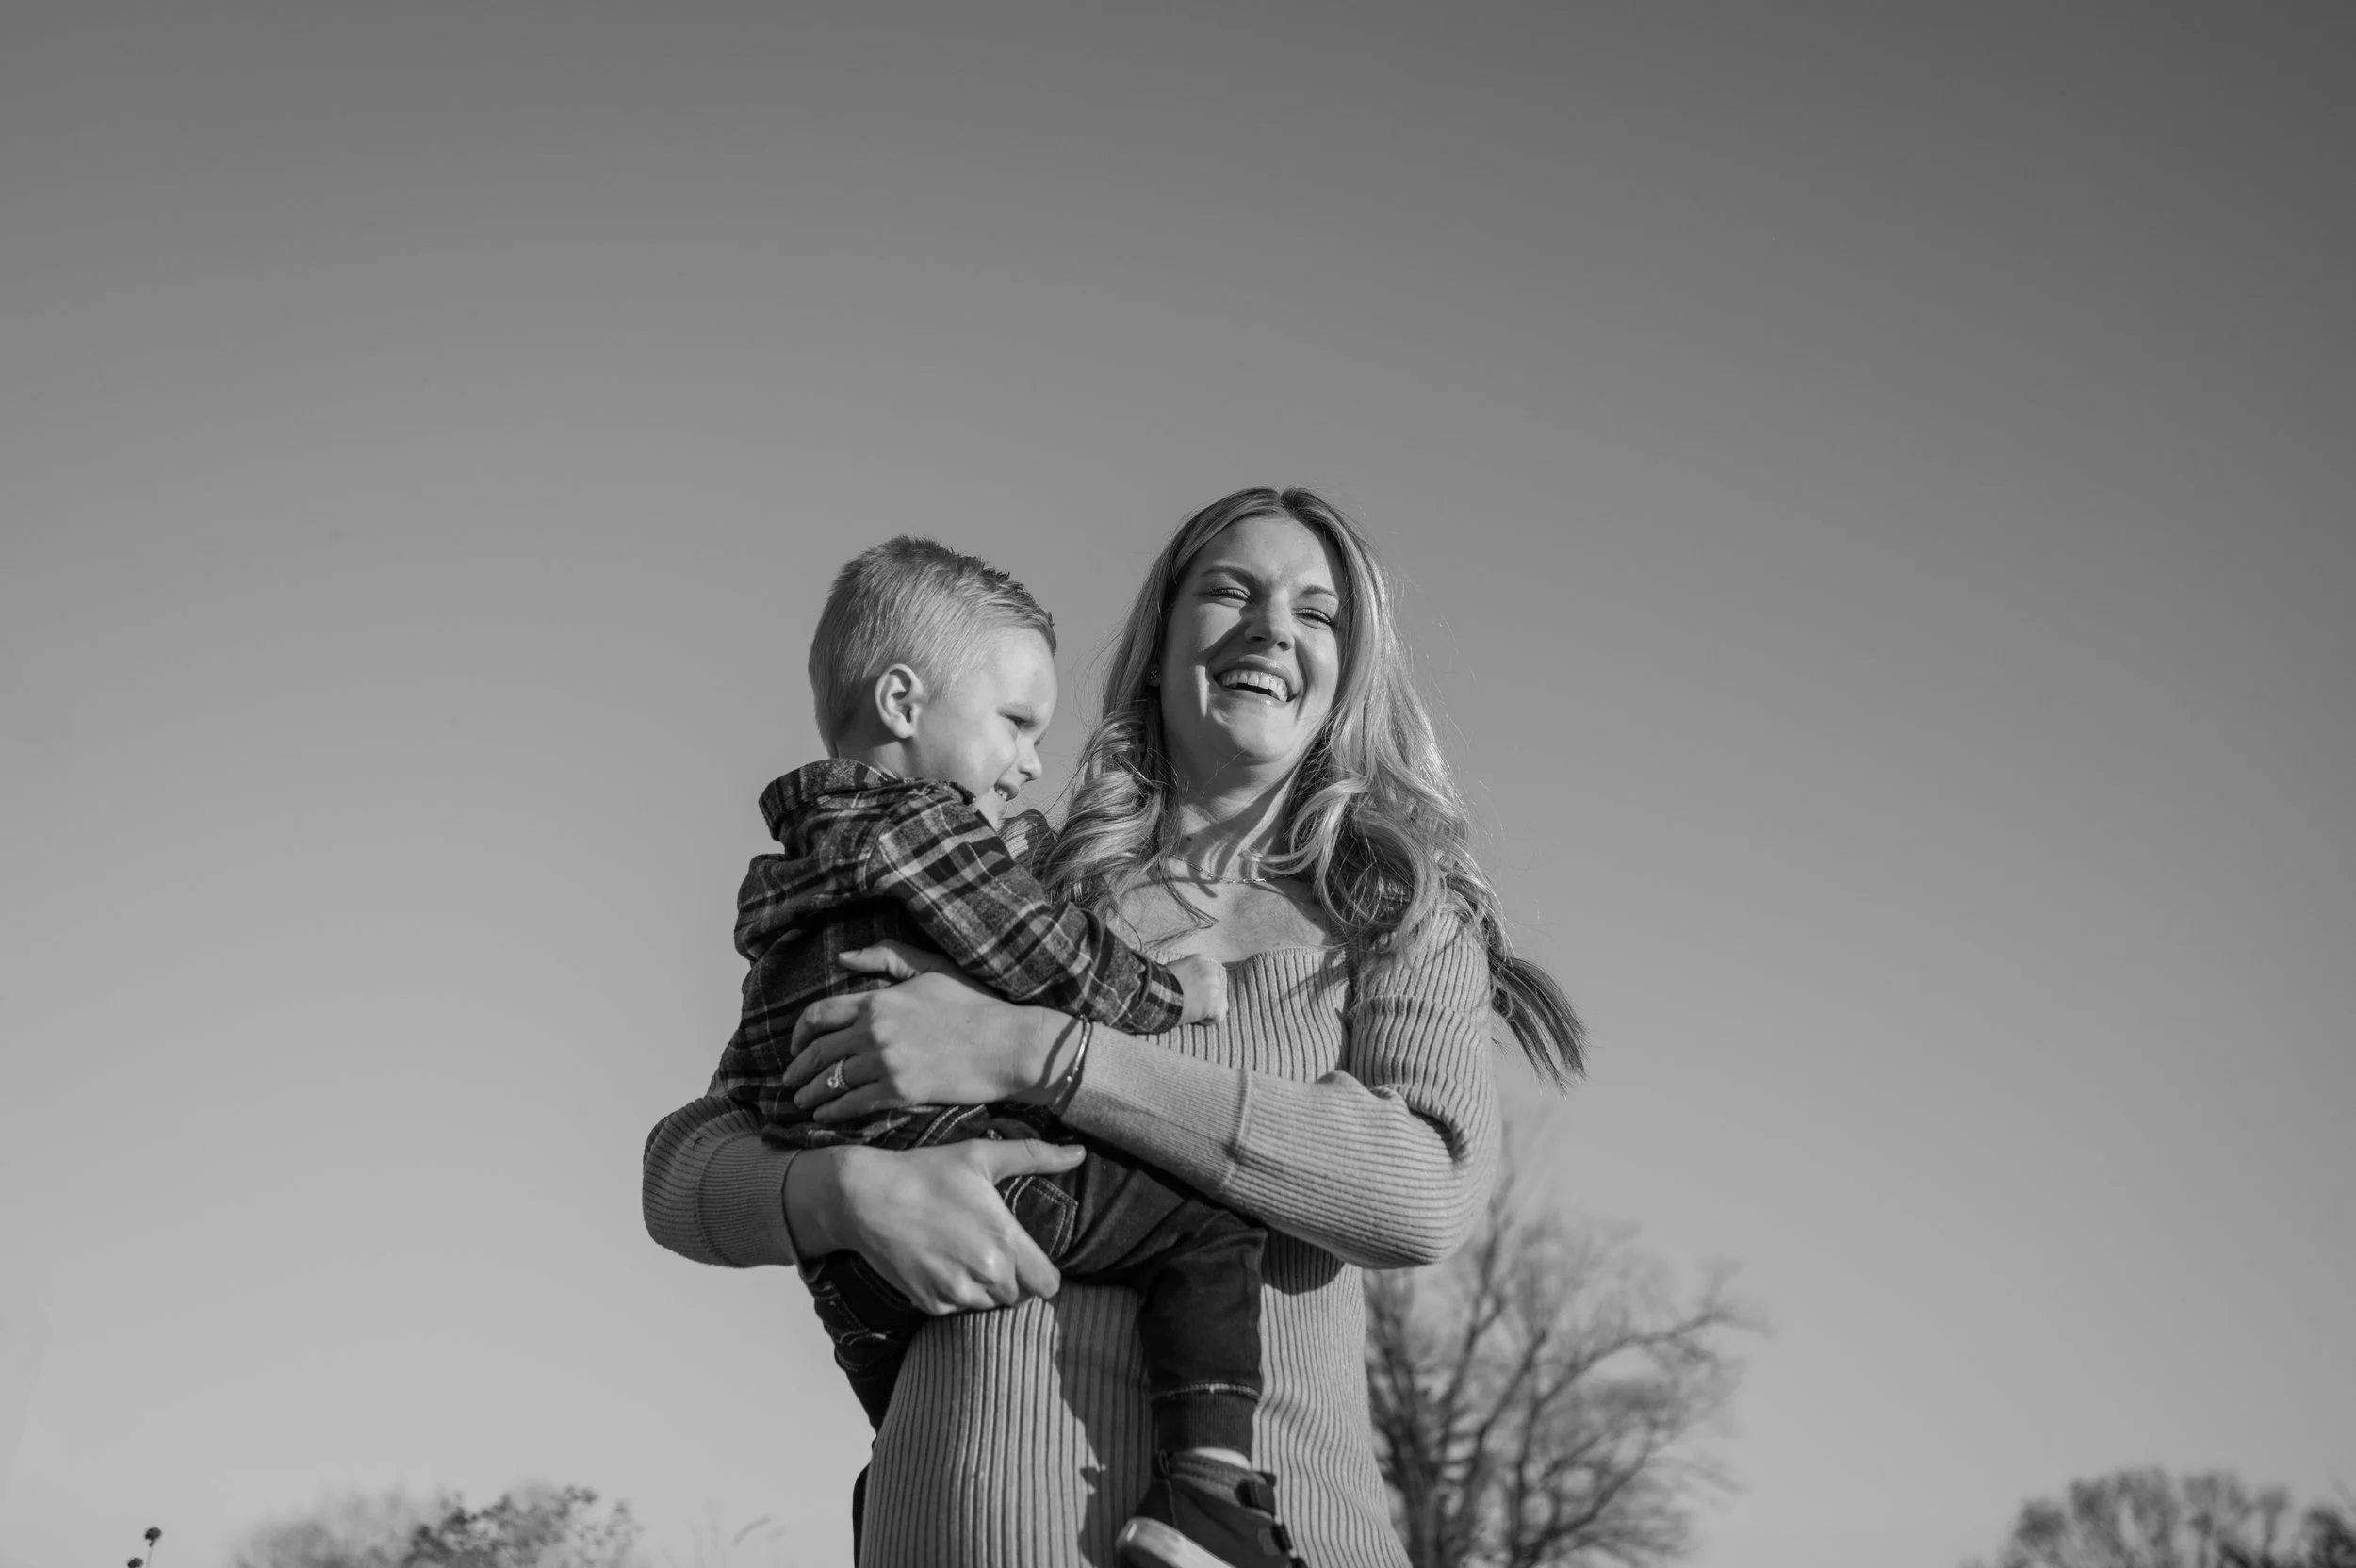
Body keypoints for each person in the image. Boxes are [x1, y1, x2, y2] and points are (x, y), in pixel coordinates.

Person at [643, 487, 1584, 1567]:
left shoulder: (1397, 914)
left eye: (1316, 612)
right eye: (1230, 589)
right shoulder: (1005, 878)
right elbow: (684, 1163)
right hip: (959, 1523)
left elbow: (1420, 1193)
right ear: (1158, 642)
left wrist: (1037, 1051)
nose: (1273, 626)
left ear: (1350, 663)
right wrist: (842, 1192)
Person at [713, 534, 1308, 1568]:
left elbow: (746, 1082)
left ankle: (882, 1509)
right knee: (1207, 1228)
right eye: (1015, 724)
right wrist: (1170, 991)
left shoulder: (792, 871)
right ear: (904, 705)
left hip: (850, 1282)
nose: (1033, 759)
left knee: (896, 1418)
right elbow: (1042, 950)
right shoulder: (926, 833)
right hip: (978, 1180)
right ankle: (1212, 1486)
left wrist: (816, 1172)